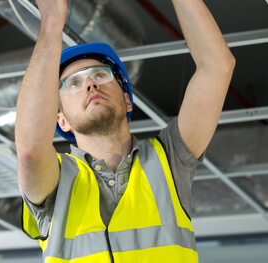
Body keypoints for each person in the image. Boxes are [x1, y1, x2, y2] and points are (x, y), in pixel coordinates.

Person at [15, 0, 235, 262]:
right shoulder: (57, 182)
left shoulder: (169, 160)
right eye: (73, 83)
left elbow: (217, 67)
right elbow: (30, 150)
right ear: (61, 121)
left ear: (127, 101)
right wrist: (51, 24)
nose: (90, 85)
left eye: (100, 74)